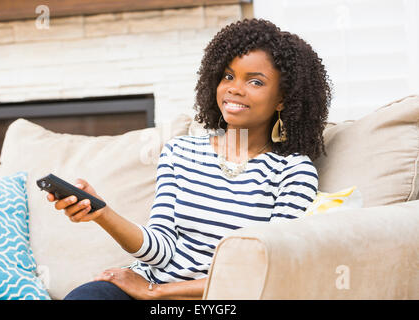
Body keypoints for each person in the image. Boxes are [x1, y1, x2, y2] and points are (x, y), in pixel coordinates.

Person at [47, 18, 331, 300]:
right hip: (146, 288)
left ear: (284, 99)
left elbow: (269, 267)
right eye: (228, 76)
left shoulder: (293, 171)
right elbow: (163, 248)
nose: (234, 88)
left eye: (255, 81)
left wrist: (158, 292)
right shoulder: (180, 152)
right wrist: (102, 213)